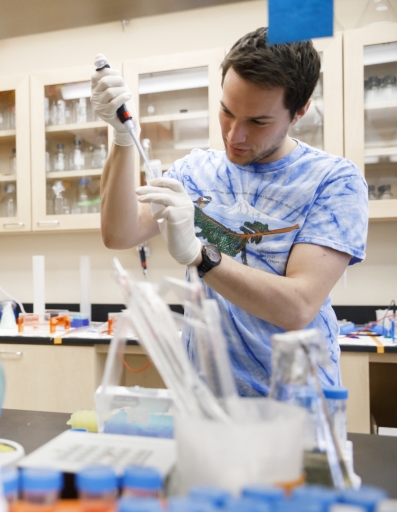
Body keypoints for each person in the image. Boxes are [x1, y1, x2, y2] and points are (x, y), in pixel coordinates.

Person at [92, 28, 369, 396]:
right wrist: (123, 140)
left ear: (299, 111)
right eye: (226, 112)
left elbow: (298, 306)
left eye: (258, 122)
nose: (234, 136)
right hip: (205, 402)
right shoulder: (196, 171)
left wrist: (198, 254)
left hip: (294, 407)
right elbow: (119, 234)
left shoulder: (334, 181)